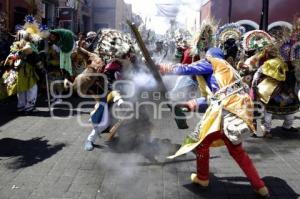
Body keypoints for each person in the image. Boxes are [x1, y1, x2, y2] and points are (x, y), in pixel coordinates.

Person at [159, 48, 269, 197]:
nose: (205, 59)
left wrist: (168, 68)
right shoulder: (230, 71)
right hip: (238, 114)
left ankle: (202, 178)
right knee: (238, 152)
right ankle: (260, 186)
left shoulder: (213, 62)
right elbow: (215, 97)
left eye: (207, 57)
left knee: (200, 144)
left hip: (224, 115)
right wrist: (190, 104)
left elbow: (188, 68)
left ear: (210, 56)